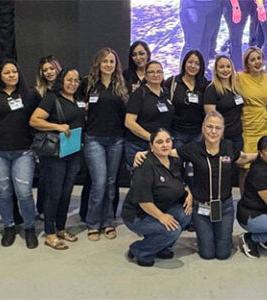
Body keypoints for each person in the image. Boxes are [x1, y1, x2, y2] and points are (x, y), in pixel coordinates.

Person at [135, 111, 256, 259]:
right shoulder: (193, 148)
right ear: (203, 128)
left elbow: (243, 157)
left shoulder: (229, 147)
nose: (213, 131)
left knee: (224, 254)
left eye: (217, 128)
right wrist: (144, 153)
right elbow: (167, 151)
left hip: (224, 207)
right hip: (202, 208)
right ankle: (206, 238)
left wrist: (262, 155)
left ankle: (218, 236)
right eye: (209, 126)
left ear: (223, 130)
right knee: (207, 254)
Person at [0, 60, 40, 249]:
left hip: (24, 151)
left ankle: (29, 227)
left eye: (14, 71)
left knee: (24, 192)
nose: (11, 75)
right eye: (7, 72)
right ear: (0, 76)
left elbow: (41, 117)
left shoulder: (30, 94)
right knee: (3, 192)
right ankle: (9, 226)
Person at [29, 68, 86, 250]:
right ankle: (50, 233)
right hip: (55, 154)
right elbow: (34, 120)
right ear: (62, 80)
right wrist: (57, 126)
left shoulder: (77, 100)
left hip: (73, 151)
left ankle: (61, 228)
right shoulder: (51, 98)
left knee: (66, 191)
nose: (73, 83)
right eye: (69, 80)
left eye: (76, 80)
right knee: (54, 193)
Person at [122, 129, 193, 267]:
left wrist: (189, 194)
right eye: (159, 142)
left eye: (168, 141)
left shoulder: (175, 161)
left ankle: (162, 247)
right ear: (151, 146)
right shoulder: (145, 165)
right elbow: (143, 202)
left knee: (185, 214)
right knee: (172, 229)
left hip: (162, 207)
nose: (165, 145)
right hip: (139, 215)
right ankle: (140, 250)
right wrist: (162, 217)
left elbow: (182, 183)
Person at [79, 48, 129, 241]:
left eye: (112, 61)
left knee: (110, 183)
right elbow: (76, 106)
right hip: (94, 139)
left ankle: (108, 221)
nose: (109, 65)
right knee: (98, 183)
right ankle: (93, 223)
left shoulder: (120, 85)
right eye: (105, 61)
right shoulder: (88, 84)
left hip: (116, 139)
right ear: (98, 63)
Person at [124, 61, 173, 171]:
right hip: (138, 146)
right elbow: (129, 122)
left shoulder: (166, 93)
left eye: (159, 71)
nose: (156, 75)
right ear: (145, 75)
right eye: (151, 72)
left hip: (160, 147)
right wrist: (152, 138)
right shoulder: (139, 94)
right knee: (141, 183)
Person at [238, 47, 267, 186]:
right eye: (253, 60)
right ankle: (244, 202)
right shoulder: (239, 77)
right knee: (246, 168)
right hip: (247, 127)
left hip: (264, 125)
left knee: (265, 165)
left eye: (259, 58)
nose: (257, 62)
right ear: (247, 64)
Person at [33, 55, 62, 219]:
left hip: (65, 138)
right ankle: (43, 209)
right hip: (46, 141)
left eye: (51, 68)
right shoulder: (38, 92)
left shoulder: (67, 88)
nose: (49, 72)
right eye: (45, 70)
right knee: (46, 176)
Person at [165, 50, 209, 148]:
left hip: (197, 134)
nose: (192, 66)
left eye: (197, 63)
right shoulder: (172, 82)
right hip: (176, 133)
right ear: (184, 63)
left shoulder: (204, 85)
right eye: (190, 62)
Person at [203, 56, 244, 150]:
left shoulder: (236, 88)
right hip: (222, 138)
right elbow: (211, 118)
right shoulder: (211, 90)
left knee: (237, 164)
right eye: (221, 67)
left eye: (228, 66)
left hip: (237, 136)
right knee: (225, 163)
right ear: (216, 70)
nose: (225, 70)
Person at [223, 0, 258, 70]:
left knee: (236, 37)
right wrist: (235, 6)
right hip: (234, 5)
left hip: (247, 4)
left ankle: (236, 65)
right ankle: (237, 70)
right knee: (236, 38)